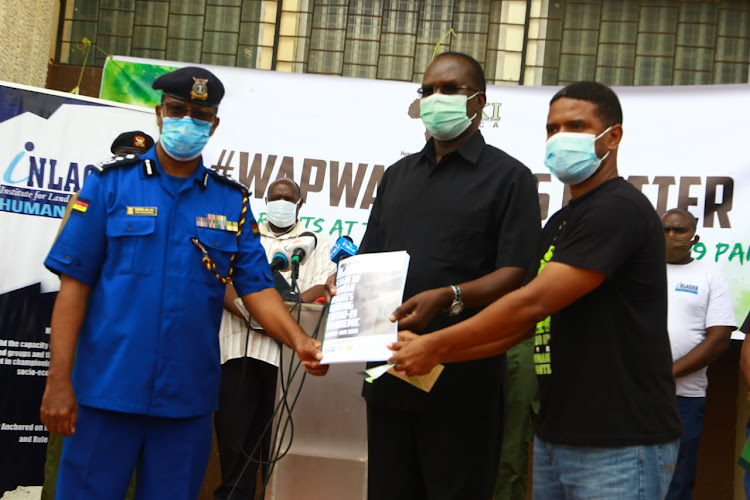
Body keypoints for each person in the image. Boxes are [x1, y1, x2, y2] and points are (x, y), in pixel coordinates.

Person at [39, 66, 326, 500]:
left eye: (199, 114)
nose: (187, 121)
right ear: (159, 113)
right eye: (178, 110)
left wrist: (299, 340)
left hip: (186, 400)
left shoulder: (230, 200)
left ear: (214, 124)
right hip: (106, 392)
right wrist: (58, 380)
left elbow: (257, 288)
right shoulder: (109, 184)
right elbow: (73, 288)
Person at [389, 81, 683, 499]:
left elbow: (532, 302)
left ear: (612, 136)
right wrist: (436, 353)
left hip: (619, 440)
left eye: (576, 126)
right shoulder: (562, 222)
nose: (560, 137)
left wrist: (434, 343)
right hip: (558, 435)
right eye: (553, 128)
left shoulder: (617, 209)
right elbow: (522, 330)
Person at [355, 52, 541, 500]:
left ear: (478, 100)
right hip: (390, 370)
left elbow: (517, 273)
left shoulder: (510, 178)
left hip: (465, 378)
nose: (436, 98)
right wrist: (342, 315)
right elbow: (367, 261)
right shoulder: (397, 176)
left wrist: (451, 295)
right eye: (428, 90)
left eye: (450, 89)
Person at [41, 129, 154, 500]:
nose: (128, 163)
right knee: (72, 438)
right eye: (123, 156)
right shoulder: (88, 198)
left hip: (137, 345)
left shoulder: (161, 205)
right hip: (89, 337)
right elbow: (69, 269)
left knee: (130, 446)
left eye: (135, 158)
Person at [214, 178, 335, 500]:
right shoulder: (244, 236)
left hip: (286, 360)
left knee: (278, 447)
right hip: (236, 354)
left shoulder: (317, 242)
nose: (280, 203)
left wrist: (273, 317)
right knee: (234, 441)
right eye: (274, 197)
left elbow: (322, 288)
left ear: (300, 203)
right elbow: (222, 283)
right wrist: (254, 313)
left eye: (287, 198)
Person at [661, 208, 735, 500]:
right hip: (636, 394)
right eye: (665, 230)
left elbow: (718, 341)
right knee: (630, 477)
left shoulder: (710, 275)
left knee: (677, 480)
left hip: (685, 398)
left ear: (694, 237)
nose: (670, 236)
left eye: (679, 231)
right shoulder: (637, 270)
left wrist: (667, 375)